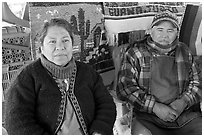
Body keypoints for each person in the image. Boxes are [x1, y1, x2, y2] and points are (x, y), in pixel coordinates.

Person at [5, 18, 116, 135]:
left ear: (72, 45)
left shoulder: (87, 72)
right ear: (42, 48)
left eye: (65, 40)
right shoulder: (27, 77)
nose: (60, 47)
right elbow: (16, 121)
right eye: (52, 42)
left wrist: (99, 131)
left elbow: (106, 104)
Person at [116, 11, 202, 135]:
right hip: (147, 116)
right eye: (160, 29)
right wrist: (155, 107)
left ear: (177, 33)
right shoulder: (136, 53)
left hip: (184, 115)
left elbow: (197, 83)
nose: (164, 35)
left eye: (170, 31)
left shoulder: (184, 51)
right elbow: (125, 88)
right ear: (151, 31)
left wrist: (183, 102)